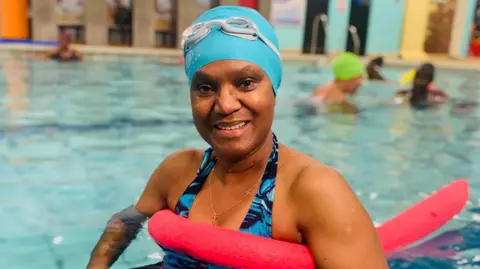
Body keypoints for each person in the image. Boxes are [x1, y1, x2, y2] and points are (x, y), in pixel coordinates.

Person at [87, 6, 388, 269]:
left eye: (245, 83)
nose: (225, 104)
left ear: (273, 88)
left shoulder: (312, 191)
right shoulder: (179, 171)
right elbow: (125, 221)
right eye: (205, 88)